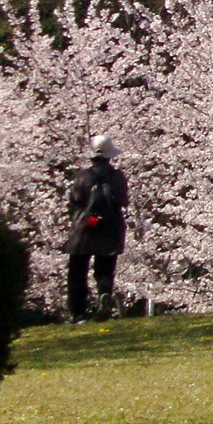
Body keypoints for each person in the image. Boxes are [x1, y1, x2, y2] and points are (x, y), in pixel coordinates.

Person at [64, 134, 129, 322]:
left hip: (84, 228)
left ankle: (78, 313)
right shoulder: (117, 177)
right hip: (110, 228)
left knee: (77, 271)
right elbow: (123, 201)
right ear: (110, 156)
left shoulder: (83, 176)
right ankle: (104, 294)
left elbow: (75, 200)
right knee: (105, 269)